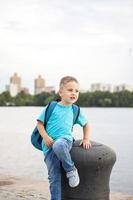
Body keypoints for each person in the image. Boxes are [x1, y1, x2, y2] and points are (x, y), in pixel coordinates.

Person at [37, 76, 91, 200]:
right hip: (48, 146)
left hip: (64, 141)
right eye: (70, 90)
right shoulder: (51, 106)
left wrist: (86, 138)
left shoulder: (75, 110)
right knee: (53, 177)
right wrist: (45, 137)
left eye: (76, 91)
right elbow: (39, 123)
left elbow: (86, 124)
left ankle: (71, 169)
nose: (74, 93)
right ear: (61, 92)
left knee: (59, 145)